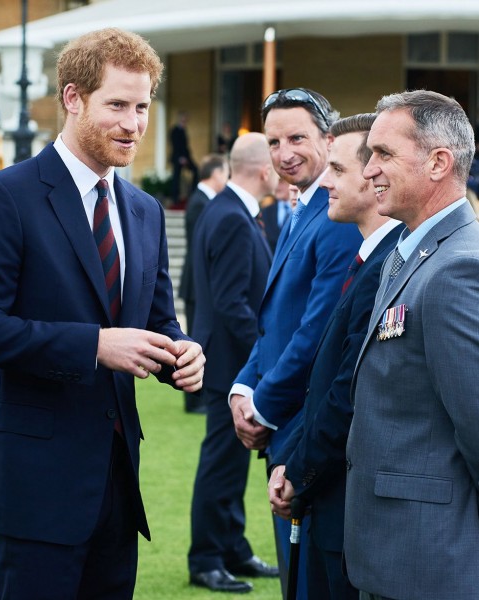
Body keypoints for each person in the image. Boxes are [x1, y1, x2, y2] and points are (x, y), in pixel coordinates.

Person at [0, 28, 205, 600]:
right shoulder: (3, 196)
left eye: (141, 107)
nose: (133, 123)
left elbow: (156, 319)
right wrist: (92, 344)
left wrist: (180, 352)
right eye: (116, 105)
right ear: (72, 98)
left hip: (117, 480)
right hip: (35, 483)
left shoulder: (144, 211)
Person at [344, 90, 479, 600]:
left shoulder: (456, 269)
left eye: (383, 154)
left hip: (430, 562)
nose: (368, 170)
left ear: (439, 162)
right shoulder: (415, 254)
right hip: (397, 553)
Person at [229, 88, 362, 599]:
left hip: (307, 429)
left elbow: (317, 332)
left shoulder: (335, 216)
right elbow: (275, 320)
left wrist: (261, 407)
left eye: (297, 138)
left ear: (330, 140)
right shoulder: (300, 207)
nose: (284, 154)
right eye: (274, 141)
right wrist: (242, 386)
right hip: (283, 425)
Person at [267, 113, 403, 600]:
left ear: (374, 178)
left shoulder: (390, 267)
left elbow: (348, 391)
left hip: (347, 497)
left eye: (338, 170)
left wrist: (298, 469)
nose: (323, 179)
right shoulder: (367, 259)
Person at [188, 133, 278, 593]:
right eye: (275, 160)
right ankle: (206, 558)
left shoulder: (231, 210)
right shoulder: (230, 217)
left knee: (232, 462)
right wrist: (264, 356)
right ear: (263, 170)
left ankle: (233, 549)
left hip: (230, 360)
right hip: (228, 363)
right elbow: (230, 302)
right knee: (221, 462)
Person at [179, 153, 229, 413]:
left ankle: (200, 395)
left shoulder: (204, 201)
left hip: (200, 282)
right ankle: (193, 399)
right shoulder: (200, 203)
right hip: (196, 283)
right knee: (195, 340)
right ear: (217, 173)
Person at [169, 111, 198, 206]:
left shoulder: (184, 130)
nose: (185, 121)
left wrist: (187, 158)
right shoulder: (174, 130)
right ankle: (175, 198)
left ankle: (193, 193)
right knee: (176, 178)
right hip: (178, 158)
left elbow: (185, 146)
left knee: (196, 170)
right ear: (180, 119)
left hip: (186, 157)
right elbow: (175, 145)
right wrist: (180, 158)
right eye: (183, 119)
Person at [261, 178, 293, 253]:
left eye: (281, 183)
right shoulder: (265, 211)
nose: (277, 187)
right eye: (276, 182)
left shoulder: (300, 209)